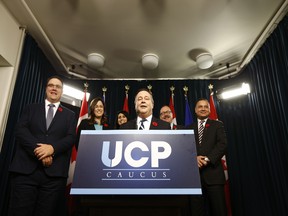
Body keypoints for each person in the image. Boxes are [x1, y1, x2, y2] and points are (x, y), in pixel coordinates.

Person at [8, 76, 77, 216]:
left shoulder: (70, 115)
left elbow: (70, 138)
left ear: (61, 91)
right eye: (51, 85)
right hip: (26, 173)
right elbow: (21, 131)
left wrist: (52, 149)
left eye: (57, 86)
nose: (54, 88)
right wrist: (40, 151)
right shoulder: (31, 108)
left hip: (53, 177)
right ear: (46, 89)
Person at [187, 98, 227, 216]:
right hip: (195, 178)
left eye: (206, 106)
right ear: (195, 110)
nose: (203, 109)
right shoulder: (188, 128)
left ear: (209, 110)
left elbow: (222, 145)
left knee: (219, 211)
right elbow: (185, 148)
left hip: (214, 176)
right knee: (196, 212)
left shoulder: (217, 125)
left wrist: (206, 159)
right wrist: (193, 158)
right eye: (200, 106)